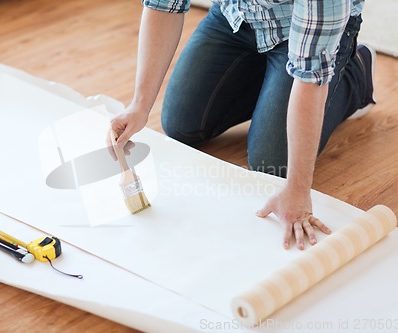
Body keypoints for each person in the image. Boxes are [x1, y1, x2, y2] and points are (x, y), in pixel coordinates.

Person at [110, 0, 376, 250]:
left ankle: (355, 74)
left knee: (273, 163)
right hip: (237, 16)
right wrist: (139, 105)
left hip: (304, 34)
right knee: (181, 125)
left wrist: (297, 189)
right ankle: (273, 83)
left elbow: (310, 74)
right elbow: (164, 4)